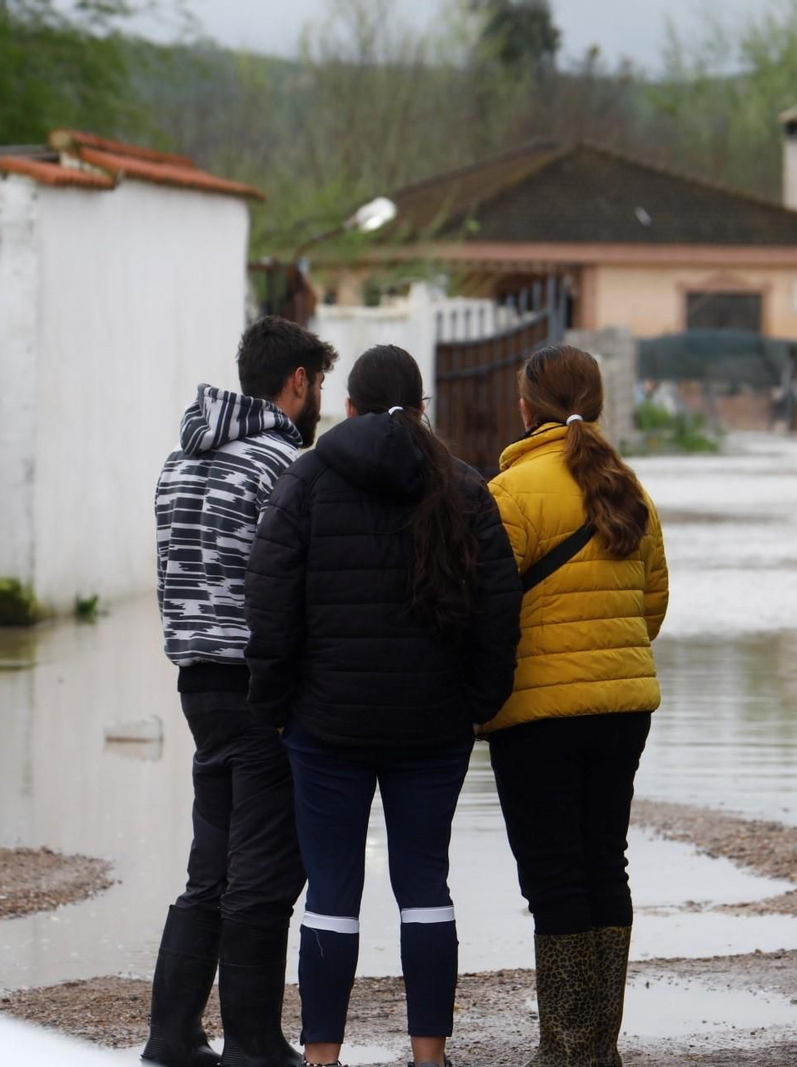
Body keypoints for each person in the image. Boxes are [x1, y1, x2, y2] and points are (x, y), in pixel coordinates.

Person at [245, 345, 522, 1067]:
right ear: (423, 406)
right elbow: (499, 610)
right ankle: (429, 1055)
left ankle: (322, 1057)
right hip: (433, 727)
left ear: (349, 407)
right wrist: (478, 704)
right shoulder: (464, 487)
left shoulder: (305, 480)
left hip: (326, 723)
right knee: (425, 883)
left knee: (331, 890)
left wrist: (276, 706)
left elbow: (269, 603)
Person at [146, 317, 335, 1067]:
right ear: (298, 381)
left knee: (213, 861)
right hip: (259, 683)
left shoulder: (180, 460)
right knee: (264, 868)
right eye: (317, 384)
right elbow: (290, 586)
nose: (317, 398)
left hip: (198, 679)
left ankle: (173, 1033)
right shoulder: (282, 467)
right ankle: (253, 1041)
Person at [482, 344, 669, 1067]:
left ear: (525, 407)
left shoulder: (512, 493)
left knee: (554, 875)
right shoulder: (630, 489)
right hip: (624, 708)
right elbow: (651, 604)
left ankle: (564, 1047)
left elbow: (489, 612)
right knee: (603, 865)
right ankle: (599, 1045)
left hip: (538, 714)